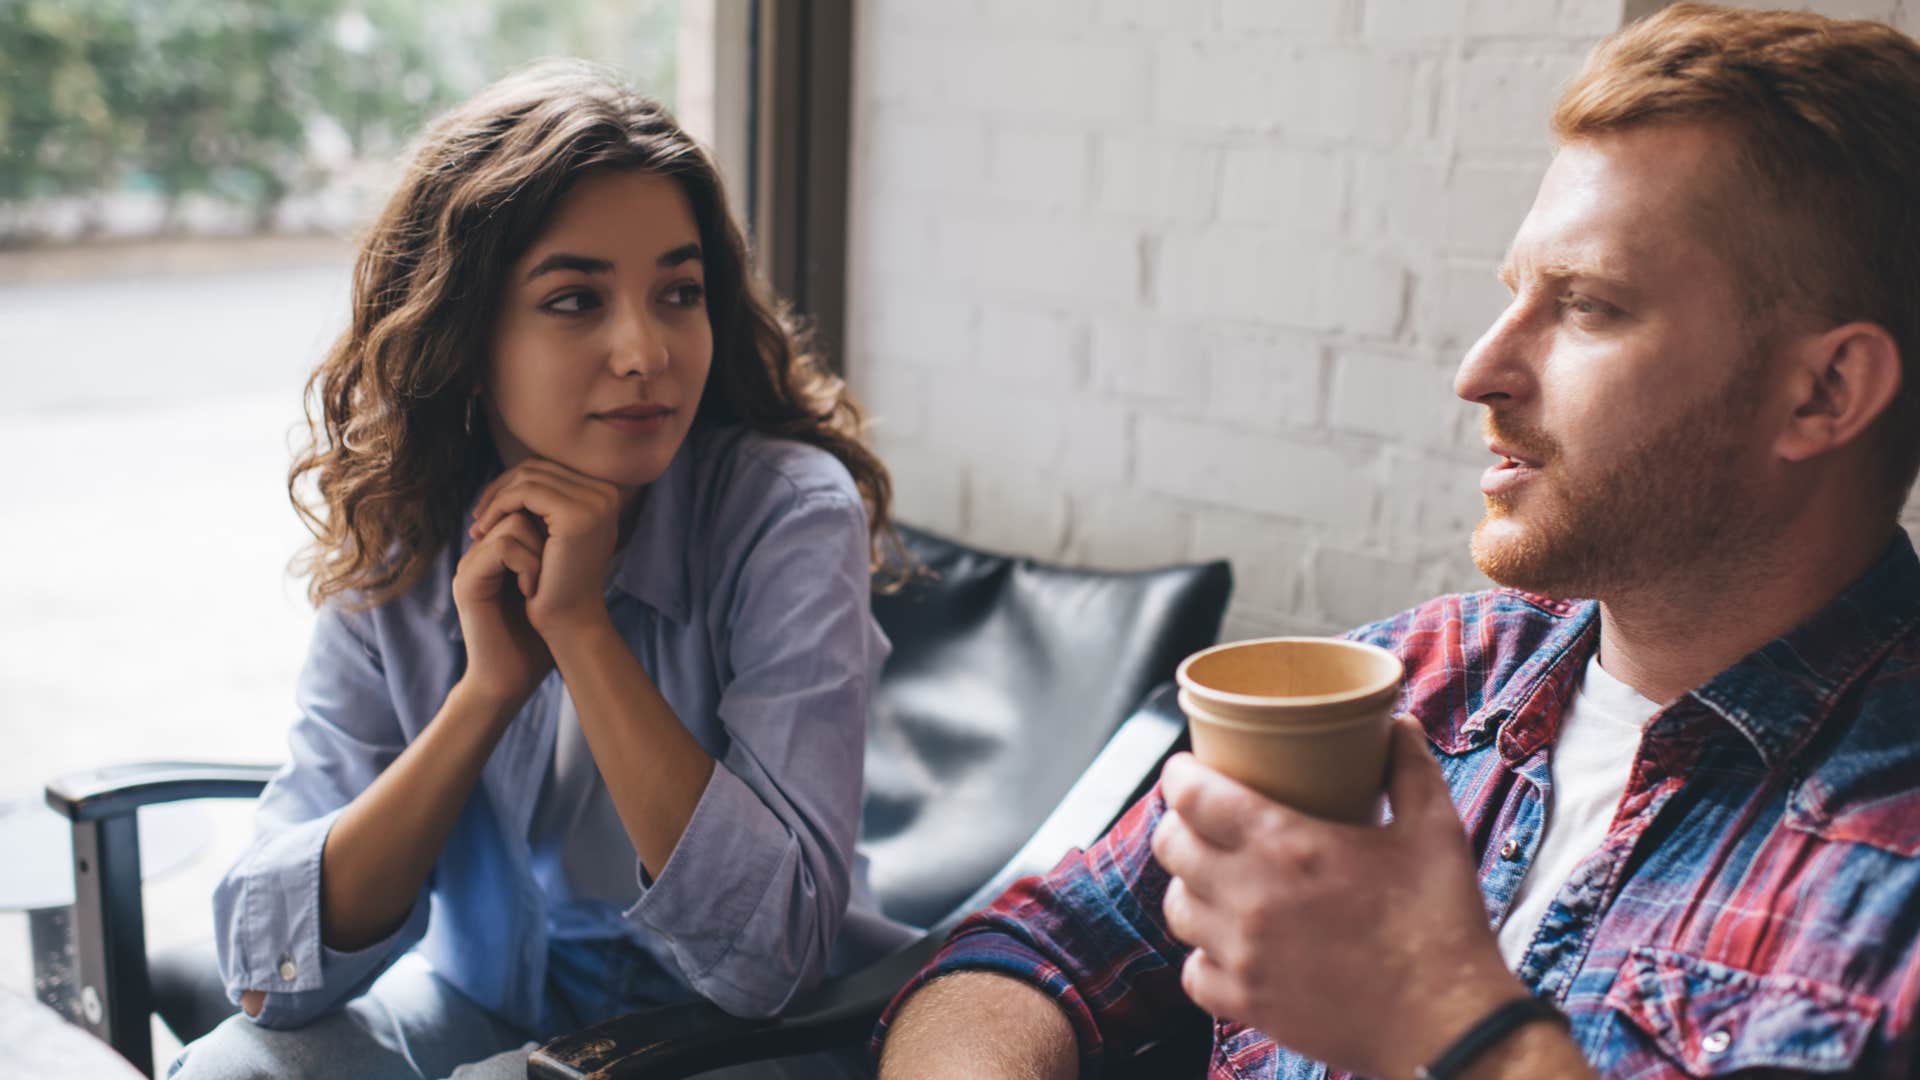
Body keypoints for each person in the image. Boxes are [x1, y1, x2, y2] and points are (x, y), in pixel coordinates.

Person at [875, 5, 1920, 1077]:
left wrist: (1438, 1014)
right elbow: (1023, 952)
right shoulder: (1419, 684)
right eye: (1517, 295)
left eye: (1592, 307)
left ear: (1824, 392)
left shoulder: (1893, 887)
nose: (1480, 371)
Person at [171, 61, 913, 1079]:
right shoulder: (409, 525)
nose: (644, 349)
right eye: (575, 300)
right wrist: (487, 691)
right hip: (488, 1000)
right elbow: (270, 969)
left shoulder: (787, 514)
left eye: (679, 292)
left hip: (737, 1045)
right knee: (233, 1069)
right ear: (468, 338)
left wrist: (582, 631)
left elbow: (771, 960)